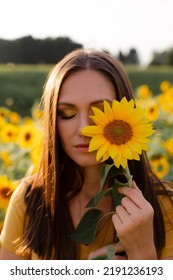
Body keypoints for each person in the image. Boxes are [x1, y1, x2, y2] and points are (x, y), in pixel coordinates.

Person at [0, 49, 173, 260]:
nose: (84, 128)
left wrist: (142, 252)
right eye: (67, 114)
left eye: (99, 112)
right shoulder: (29, 199)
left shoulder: (165, 206)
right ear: (52, 120)